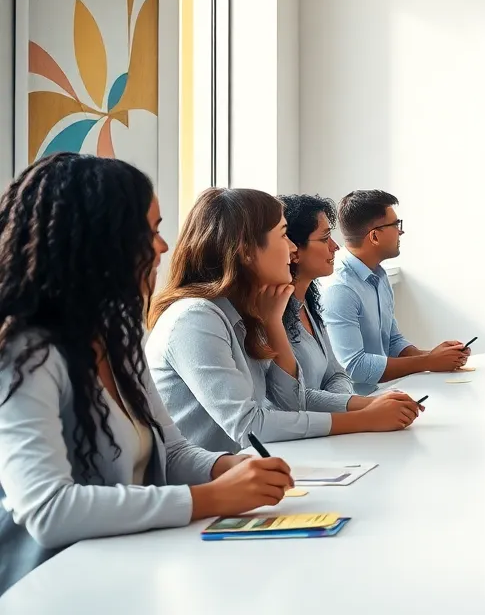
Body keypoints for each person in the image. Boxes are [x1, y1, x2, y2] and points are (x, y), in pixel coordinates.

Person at [0, 155, 293, 596]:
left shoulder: (117, 336)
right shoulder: (24, 353)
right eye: (151, 231)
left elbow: (170, 452)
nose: (163, 247)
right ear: (101, 240)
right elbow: (49, 508)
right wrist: (211, 497)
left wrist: (224, 466)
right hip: (50, 587)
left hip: (126, 569)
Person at [147, 189, 423, 453]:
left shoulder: (251, 312)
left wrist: (273, 323)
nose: (292, 249)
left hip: (243, 472)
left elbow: (293, 402)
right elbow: (249, 426)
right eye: (282, 235)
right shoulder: (196, 318)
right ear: (245, 251)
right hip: (208, 486)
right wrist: (366, 417)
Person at [322, 190, 471, 394]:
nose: (401, 232)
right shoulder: (340, 290)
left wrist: (439, 356)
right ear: (374, 236)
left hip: (387, 392)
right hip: (359, 406)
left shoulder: (380, 276)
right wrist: (428, 361)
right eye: (395, 225)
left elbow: (392, 341)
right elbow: (354, 367)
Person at [281, 194, 386, 414]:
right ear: (294, 249)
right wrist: (363, 407)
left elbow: (337, 373)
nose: (335, 246)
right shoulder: (272, 314)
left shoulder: (308, 302)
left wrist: (344, 403)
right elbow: (293, 399)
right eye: (324, 238)